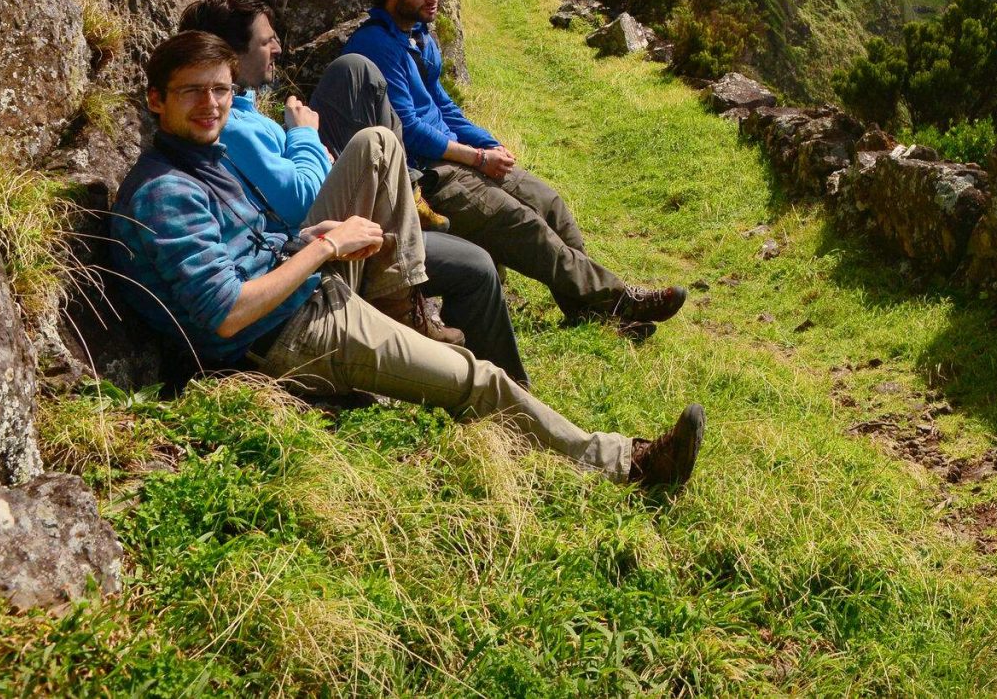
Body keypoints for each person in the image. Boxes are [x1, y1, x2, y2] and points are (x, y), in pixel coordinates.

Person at [113, 29, 704, 489]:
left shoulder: (201, 160)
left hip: (310, 294)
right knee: (480, 380)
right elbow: (225, 314)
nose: (210, 104)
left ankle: (403, 307)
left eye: (219, 89)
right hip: (289, 337)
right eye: (192, 90)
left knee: (377, 144)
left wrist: (309, 240)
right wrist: (325, 247)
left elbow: (246, 256)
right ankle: (630, 464)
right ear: (155, 99)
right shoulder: (168, 192)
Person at [177, 0, 530, 373]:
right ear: (230, 53)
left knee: (478, 263)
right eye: (267, 40)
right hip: (311, 250)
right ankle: (398, 302)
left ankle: (503, 391)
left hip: (323, 235)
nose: (278, 47)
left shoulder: (246, 112)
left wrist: (314, 153)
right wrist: (304, 136)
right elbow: (297, 201)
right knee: (376, 139)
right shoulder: (230, 127)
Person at [338, 0, 685, 331]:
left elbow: (443, 105)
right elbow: (409, 130)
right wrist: (476, 159)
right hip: (430, 176)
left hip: (461, 157)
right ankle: (620, 299)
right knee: (524, 224)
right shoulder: (376, 45)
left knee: (549, 203)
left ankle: (589, 310)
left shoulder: (418, 38)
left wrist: (487, 144)